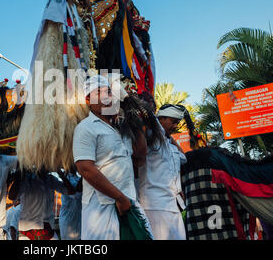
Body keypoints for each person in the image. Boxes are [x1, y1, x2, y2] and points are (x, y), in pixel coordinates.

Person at [73, 75, 153, 240]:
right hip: (101, 209)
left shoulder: (122, 127)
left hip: (128, 202)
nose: (106, 97)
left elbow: (141, 152)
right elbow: (85, 169)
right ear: (88, 100)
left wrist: (131, 117)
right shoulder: (85, 128)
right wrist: (119, 198)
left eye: (109, 93)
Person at [137, 104, 187, 240]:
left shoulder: (169, 144)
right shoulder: (150, 138)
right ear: (161, 119)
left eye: (177, 122)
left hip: (172, 205)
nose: (176, 126)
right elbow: (150, 120)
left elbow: (184, 158)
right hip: (154, 205)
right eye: (173, 121)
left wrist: (170, 138)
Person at [9, 167, 74, 240]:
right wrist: (19, 176)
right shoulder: (26, 179)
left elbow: (71, 191)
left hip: (48, 232)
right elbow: (11, 196)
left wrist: (61, 174)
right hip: (27, 233)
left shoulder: (51, 180)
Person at [59, 171, 82, 240]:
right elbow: (75, 195)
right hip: (68, 218)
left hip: (78, 217)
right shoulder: (66, 180)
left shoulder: (77, 179)